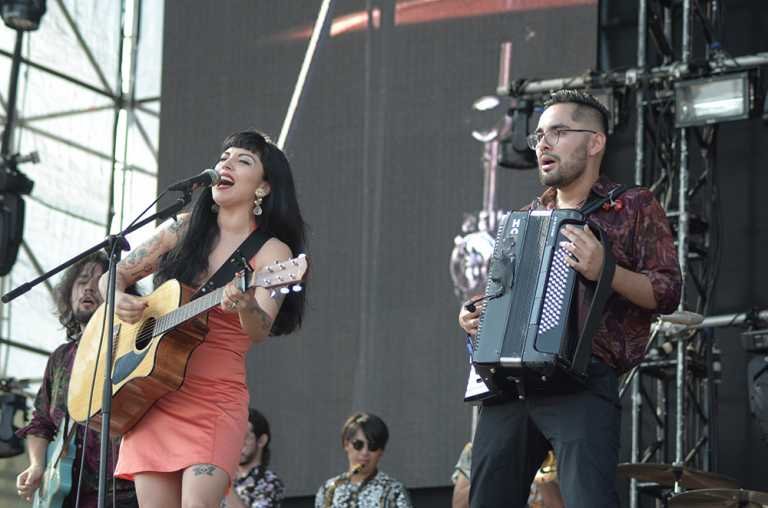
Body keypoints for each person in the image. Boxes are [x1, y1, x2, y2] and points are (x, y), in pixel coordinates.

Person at [458, 89, 682, 508]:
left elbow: (667, 291)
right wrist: (474, 314)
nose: (543, 143)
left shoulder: (632, 205)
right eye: (539, 135)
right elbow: (502, 295)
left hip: (582, 380)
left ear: (595, 142)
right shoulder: (524, 219)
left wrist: (606, 271)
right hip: (510, 385)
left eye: (558, 132)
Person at [106, 130, 306, 508]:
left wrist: (246, 305)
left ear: (263, 188)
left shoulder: (274, 253)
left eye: (242, 160)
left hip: (214, 399)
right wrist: (117, 298)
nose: (226, 163)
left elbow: (260, 329)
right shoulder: (183, 229)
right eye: (224, 155)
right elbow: (111, 274)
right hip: (153, 392)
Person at [15, 252, 138, 507]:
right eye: (82, 281)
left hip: (123, 493)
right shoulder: (60, 358)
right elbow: (41, 422)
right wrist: (38, 465)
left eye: (101, 282)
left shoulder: (129, 343)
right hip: (66, 496)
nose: (89, 288)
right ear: (69, 292)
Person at [315, 413, 412, 508]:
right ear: (346, 444)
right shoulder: (327, 489)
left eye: (372, 446)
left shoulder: (395, 491)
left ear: (381, 451)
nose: (365, 452)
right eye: (358, 444)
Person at [223, 408, 285, 508]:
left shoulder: (270, 482)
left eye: (244, 437)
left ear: (261, 441)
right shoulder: (227, 477)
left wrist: (224, 484)